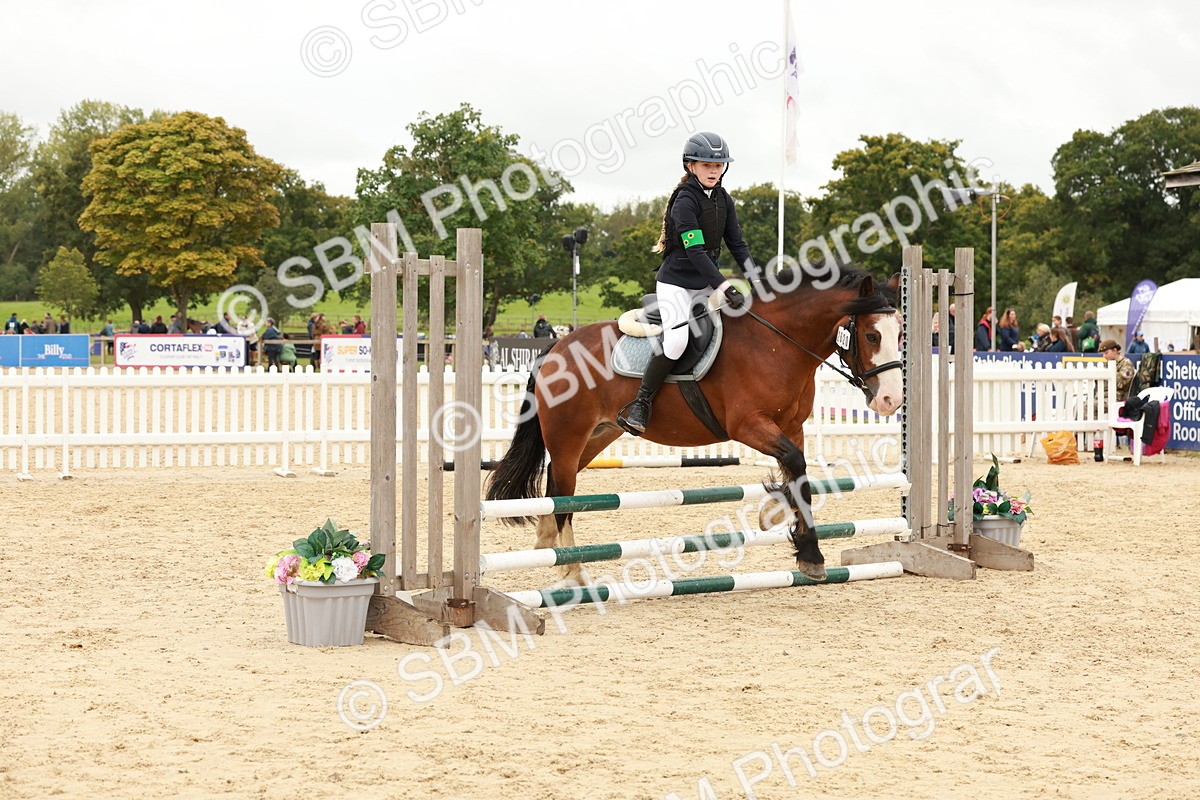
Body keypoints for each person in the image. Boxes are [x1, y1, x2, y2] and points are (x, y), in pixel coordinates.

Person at [617, 131, 752, 435]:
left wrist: (757, 279)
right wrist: (724, 286)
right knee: (677, 340)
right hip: (677, 283)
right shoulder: (685, 202)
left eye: (719, 166)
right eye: (707, 165)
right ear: (691, 166)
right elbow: (696, 252)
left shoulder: (723, 199)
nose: (714, 171)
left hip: (705, 282)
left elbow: (738, 245)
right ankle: (641, 403)